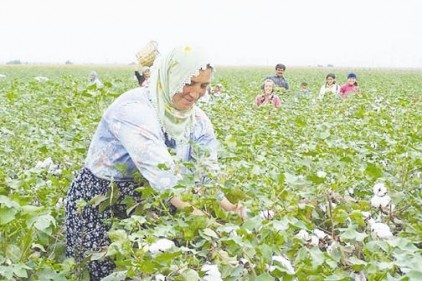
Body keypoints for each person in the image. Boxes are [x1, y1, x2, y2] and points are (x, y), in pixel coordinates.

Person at [65, 44, 246, 280]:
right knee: (104, 271)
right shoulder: (134, 109)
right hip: (101, 200)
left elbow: (206, 174)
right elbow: (165, 179)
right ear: (171, 77)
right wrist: (207, 221)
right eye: (189, 82)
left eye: (203, 85)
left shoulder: (198, 120)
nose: (195, 92)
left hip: (151, 204)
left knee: (152, 270)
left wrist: (230, 208)